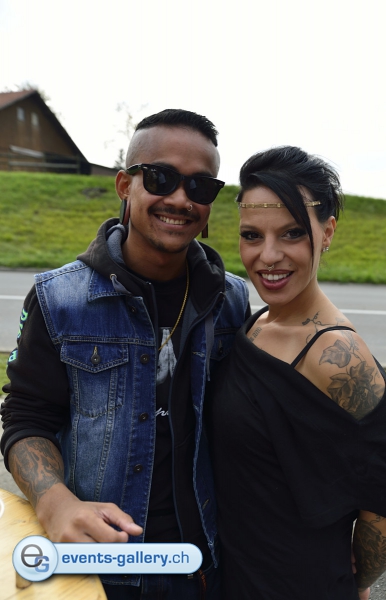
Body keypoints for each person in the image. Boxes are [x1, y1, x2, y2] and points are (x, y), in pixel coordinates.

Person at [0, 108, 250, 599]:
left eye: (201, 186)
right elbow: (25, 418)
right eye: (161, 178)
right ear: (124, 185)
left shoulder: (232, 301)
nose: (180, 199)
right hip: (98, 568)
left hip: (205, 566)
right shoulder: (59, 300)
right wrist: (55, 502)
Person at [208, 145, 386, 600]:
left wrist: (357, 583)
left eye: (292, 233)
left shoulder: (338, 356)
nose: (268, 255)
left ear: (327, 231)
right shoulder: (257, 323)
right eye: (252, 235)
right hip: (236, 577)